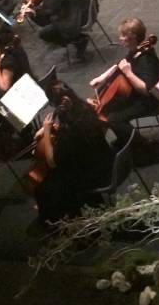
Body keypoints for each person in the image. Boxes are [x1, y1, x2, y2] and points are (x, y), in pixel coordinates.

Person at [32, 81, 113, 223]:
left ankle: (54, 216)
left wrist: (46, 131)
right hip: (107, 161)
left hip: (94, 175)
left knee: (45, 186)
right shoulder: (87, 108)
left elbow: (52, 162)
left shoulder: (69, 134)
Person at [89, 18, 159, 145]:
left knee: (113, 118)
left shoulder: (146, 59)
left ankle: (141, 145)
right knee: (109, 109)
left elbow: (147, 90)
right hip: (135, 95)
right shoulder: (137, 50)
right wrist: (103, 77)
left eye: (123, 35)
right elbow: (121, 64)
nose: (120, 38)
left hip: (149, 102)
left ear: (133, 37)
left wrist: (128, 73)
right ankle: (125, 139)